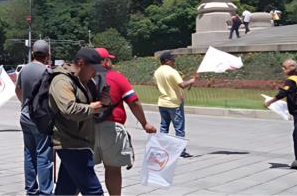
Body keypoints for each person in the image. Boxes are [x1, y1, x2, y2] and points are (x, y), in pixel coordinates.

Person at [93, 48, 157, 196]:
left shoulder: (85, 78)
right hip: (112, 128)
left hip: (87, 128)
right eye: (109, 59)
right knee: (113, 169)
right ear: (105, 62)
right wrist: (144, 123)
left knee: (83, 168)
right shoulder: (116, 77)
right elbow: (133, 102)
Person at [49, 47, 105, 195]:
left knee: (66, 190)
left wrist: (104, 103)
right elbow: (68, 109)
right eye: (93, 68)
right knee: (94, 191)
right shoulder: (61, 81)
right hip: (70, 143)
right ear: (81, 63)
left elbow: (94, 105)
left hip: (82, 141)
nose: (95, 72)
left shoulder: (86, 81)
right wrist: (92, 108)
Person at [15, 40, 54, 196]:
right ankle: (45, 191)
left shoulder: (24, 70)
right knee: (44, 154)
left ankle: (31, 189)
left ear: (32, 53)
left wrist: (25, 103)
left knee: (29, 153)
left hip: (25, 115)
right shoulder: (47, 72)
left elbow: (17, 90)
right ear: (47, 55)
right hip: (41, 118)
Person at [264, 59, 297, 172]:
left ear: (291, 67)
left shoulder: (292, 79)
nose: (283, 69)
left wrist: (269, 102)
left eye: (284, 67)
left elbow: (283, 93)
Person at [154, 51, 197, 158]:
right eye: (172, 59)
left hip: (162, 102)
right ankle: (181, 151)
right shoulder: (172, 71)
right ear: (166, 61)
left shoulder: (157, 72)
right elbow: (182, 85)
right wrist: (191, 81)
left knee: (164, 127)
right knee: (179, 128)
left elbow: (158, 86)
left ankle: (162, 149)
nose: (174, 61)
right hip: (174, 103)